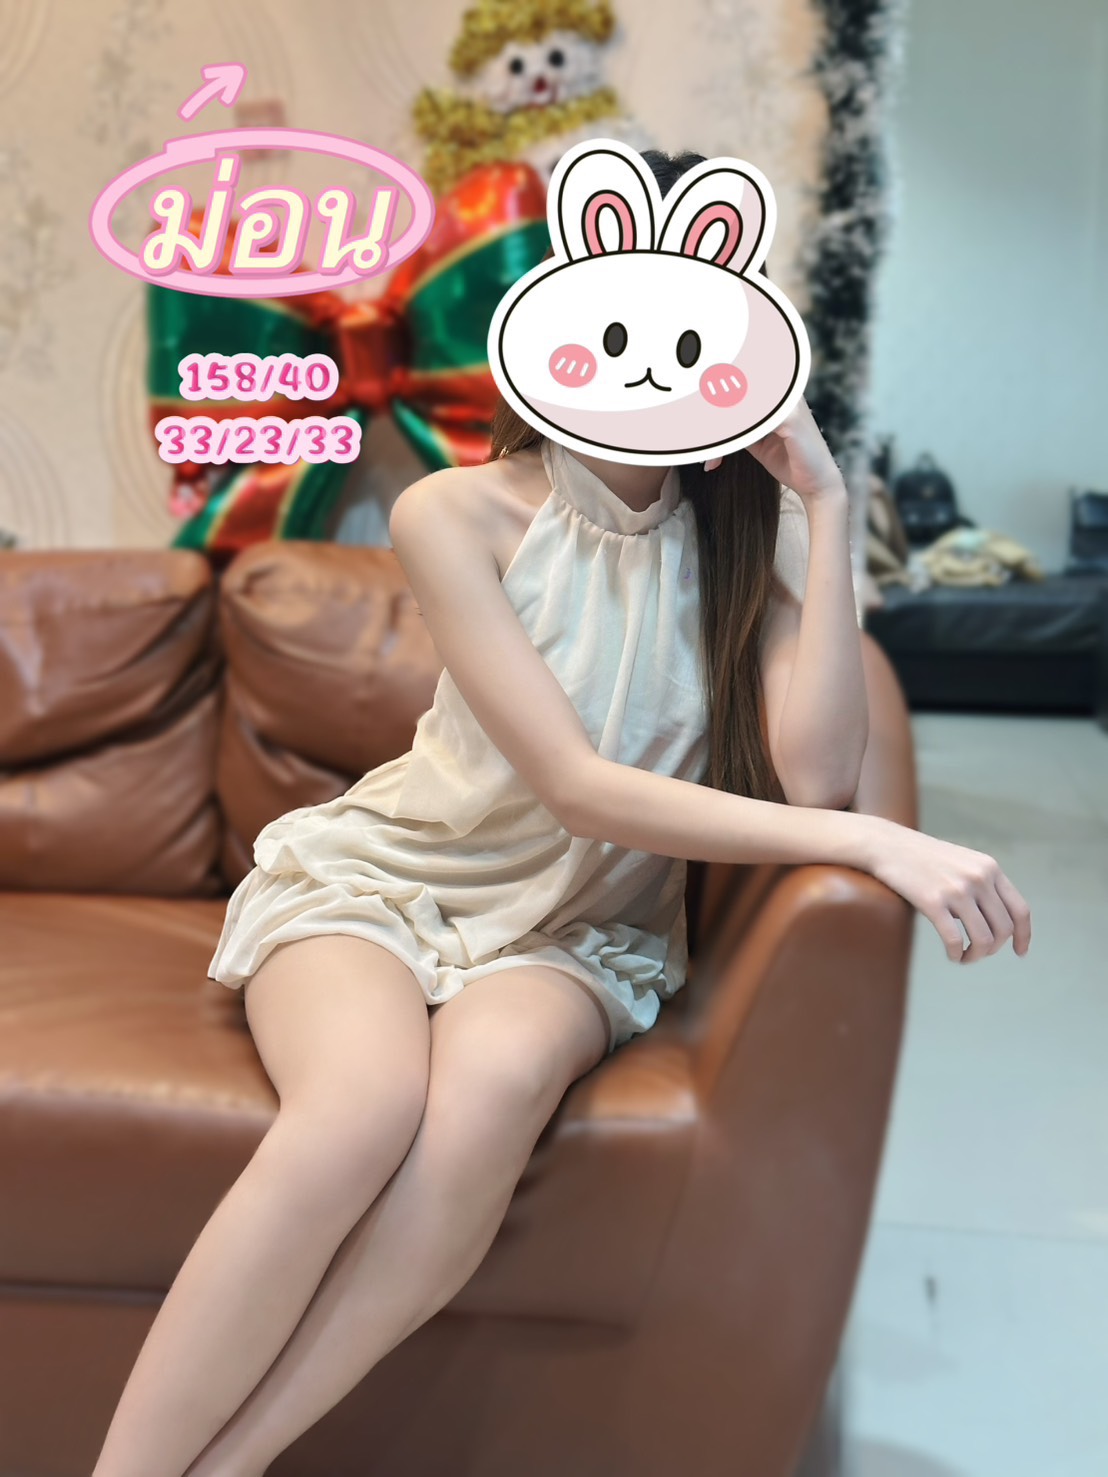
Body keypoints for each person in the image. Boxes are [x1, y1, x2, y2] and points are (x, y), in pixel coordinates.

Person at [92, 150, 1031, 1477]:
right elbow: (579, 783)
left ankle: (235, 1461)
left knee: (481, 1110)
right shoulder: (452, 512)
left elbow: (818, 771)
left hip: (577, 932)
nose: (647, 364)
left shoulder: (744, 541)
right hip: (386, 880)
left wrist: (823, 501)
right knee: (354, 1113)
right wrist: (877, 840)